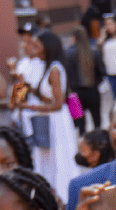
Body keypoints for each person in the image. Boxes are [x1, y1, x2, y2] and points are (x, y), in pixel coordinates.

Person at [17, 29, 80, 199]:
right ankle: (50, 194)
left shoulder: (54, 69)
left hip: (56, 120)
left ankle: (64, 197)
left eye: (36, 46)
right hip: (47, 118)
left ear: (47, 47)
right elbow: (47, 98)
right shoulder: (45, 67)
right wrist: (29, 88)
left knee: (58, 160)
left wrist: (30, 107)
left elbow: (58, 104)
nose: (33, 49)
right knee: (46, 158)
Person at [66, 26, 103, 135]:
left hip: (73, 94)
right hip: (93, 90)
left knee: (80, 126)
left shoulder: (67, 53)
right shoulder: (94, 51)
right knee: (97, 121)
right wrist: (96, 83)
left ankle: (83, 146)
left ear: (73, 38)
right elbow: (102, 72)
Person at [100, 13, 116, 97]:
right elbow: (99, 49)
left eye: (111, 24)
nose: (109, 26)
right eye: (107, 25)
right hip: (111, 73)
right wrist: (103, 35)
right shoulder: (105, 41)